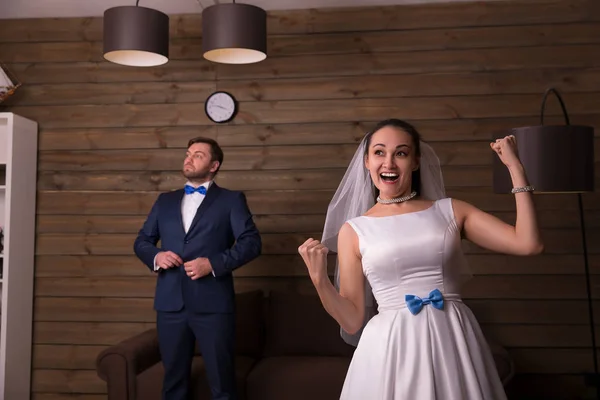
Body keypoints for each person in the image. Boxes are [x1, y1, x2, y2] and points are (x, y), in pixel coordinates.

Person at [298, 119, 543, 399]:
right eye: (379, 152)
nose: (389, 163)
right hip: (390, 348)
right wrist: (320, 280)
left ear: (415, 161)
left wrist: (515, 168)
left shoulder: (450, 211)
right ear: (366, 161)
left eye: (400, 153)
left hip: (452, 338)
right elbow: (353, 321)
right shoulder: (353, 230)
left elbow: (528, 244)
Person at [134, 136, 262, 400]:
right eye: (187, 153)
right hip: (170, 305)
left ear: (214, 165)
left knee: (222, 385)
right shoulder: (164, 201)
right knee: (173, 385)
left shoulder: (231, 200)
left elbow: (252, 243)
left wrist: (212, 264)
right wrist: (157, 257)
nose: (189, 159)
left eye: (198, 155)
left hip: (213, 306)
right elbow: (142, 241)